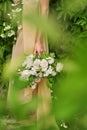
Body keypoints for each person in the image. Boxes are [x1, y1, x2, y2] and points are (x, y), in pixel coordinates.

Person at [7, 0, 59, 129]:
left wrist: (39, 40)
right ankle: (24, 120)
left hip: (35, 37)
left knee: (35, 79)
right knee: (20, 76)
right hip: (21, 35)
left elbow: (44, 11)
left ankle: (36, 121)